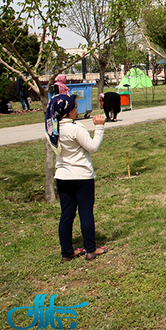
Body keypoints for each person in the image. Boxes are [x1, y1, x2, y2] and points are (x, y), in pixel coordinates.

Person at [45, 94, 109, 262]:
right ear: (67, 112)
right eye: (74, 107)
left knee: (66, 214)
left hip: (63, 177)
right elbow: (93, 147)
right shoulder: (75, 129)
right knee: (85, 212)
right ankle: (90, 249)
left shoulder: (53, 129)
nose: (76, 110)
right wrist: (99, 127)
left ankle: (67, 252)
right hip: (82, 177)